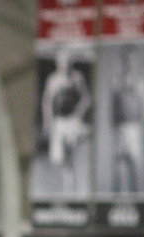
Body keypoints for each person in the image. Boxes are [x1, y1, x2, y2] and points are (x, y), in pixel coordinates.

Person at [40, 49, 91, 194]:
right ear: (58, 63)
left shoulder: (77, 77)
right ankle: (64, 188)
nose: (65, 65)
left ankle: (71, 189)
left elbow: (86, 98)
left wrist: (78, 112)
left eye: (67, 62)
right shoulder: (53, 80)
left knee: (70, 155)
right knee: (59, 159)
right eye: (62, 62)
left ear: (71, 63)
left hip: (72, 121)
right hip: (58, 122)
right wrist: (47, 123)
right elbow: (47, 103)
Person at [110, 45, 144, 193]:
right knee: (118, 164)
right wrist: (114, 126)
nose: (129, 63)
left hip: (134, 127)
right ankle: (115, 201)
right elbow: (113, 105)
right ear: (123, 60)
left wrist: (141, 127)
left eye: (132, 59)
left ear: (136, 61)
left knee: (135, 164)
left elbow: (143, 106)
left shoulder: (140, 81)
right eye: (127, 59)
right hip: (120, 126)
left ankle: (136, 199)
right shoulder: (116, 80)